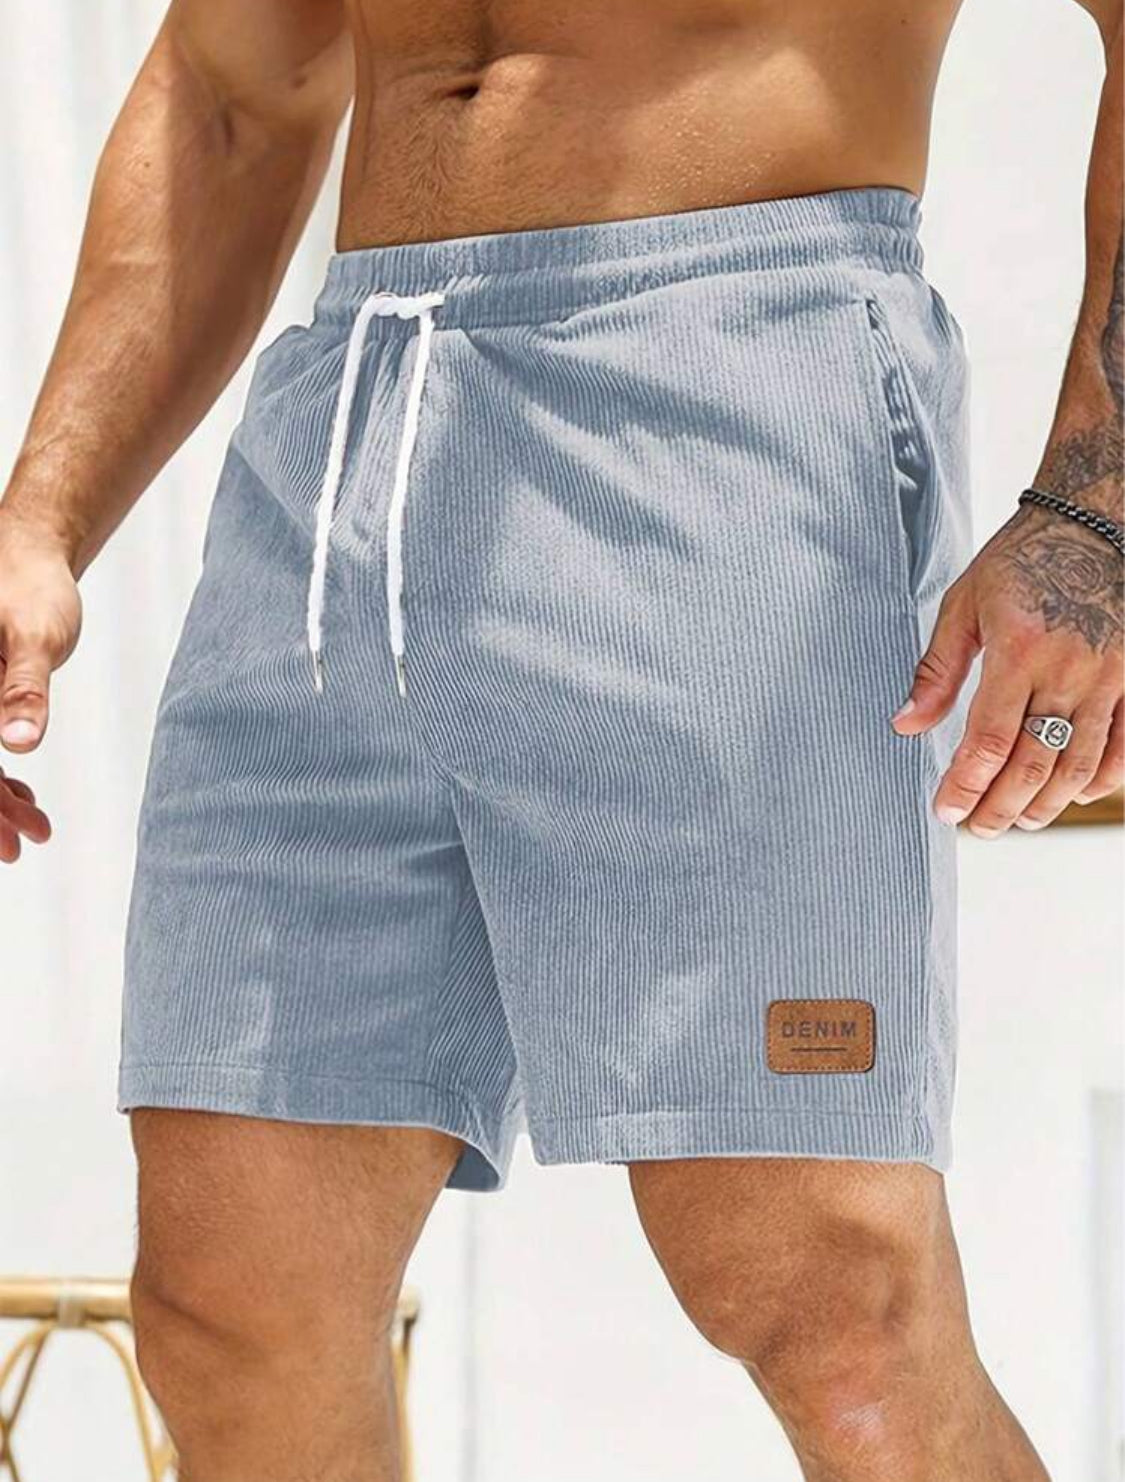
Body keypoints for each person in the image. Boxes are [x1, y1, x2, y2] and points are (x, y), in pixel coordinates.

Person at [1, 1, 1121, 1476]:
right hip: (345, 432)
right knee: (231, 1311)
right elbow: (230, 96)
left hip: (728, 374)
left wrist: (1097, 507)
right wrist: (39, 524)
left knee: (827, 1296)